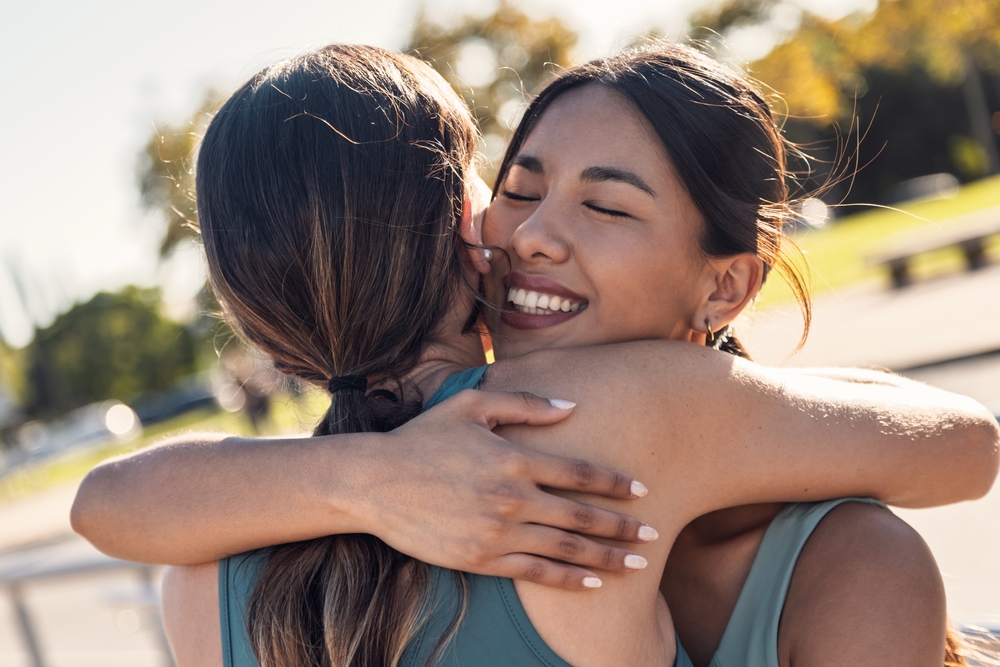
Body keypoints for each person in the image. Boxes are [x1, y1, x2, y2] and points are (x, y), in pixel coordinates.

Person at [72, 43, 998, 667]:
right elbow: (965, 440)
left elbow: (102, 503)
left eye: (604, 204)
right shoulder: (596, 415)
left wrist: (354, 474)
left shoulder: (198, 568)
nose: (533, 234)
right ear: (453, 226)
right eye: (513, 185)